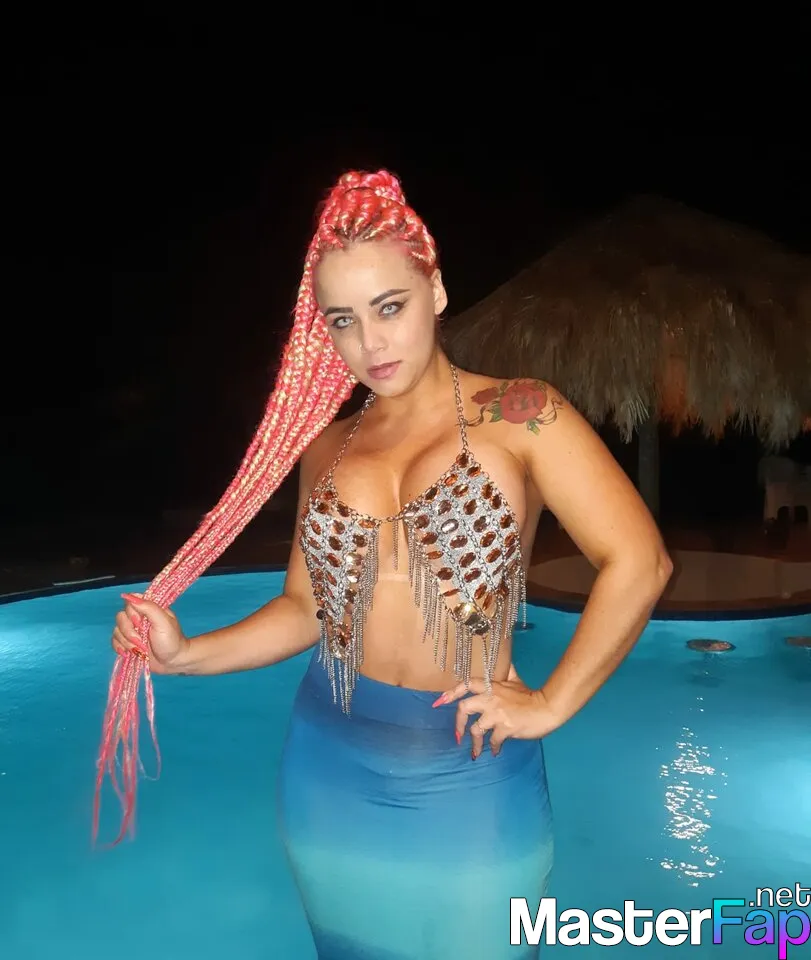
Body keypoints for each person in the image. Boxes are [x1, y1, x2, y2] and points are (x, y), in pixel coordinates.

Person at [101, 169, 672, 958]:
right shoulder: (328, 449)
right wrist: (186, 654)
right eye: (343, 320)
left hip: (470, 767)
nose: (369, 343)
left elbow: (639, 561)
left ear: (434, 290)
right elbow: (305, 609)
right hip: (328, 764)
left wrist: (549, 703)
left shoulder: (520, 414)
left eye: (389, 307)